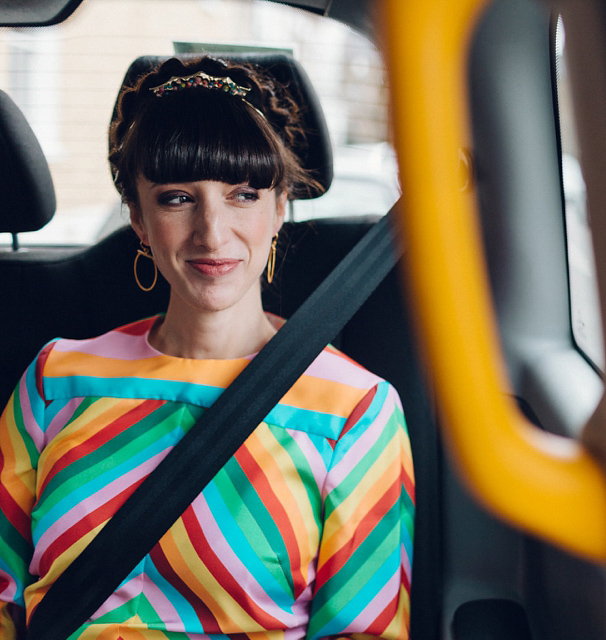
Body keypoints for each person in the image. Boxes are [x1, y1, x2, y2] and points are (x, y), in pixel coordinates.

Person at [0, 56, 414, 639]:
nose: (212, 232)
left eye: (243, 194)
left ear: (279, 210)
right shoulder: (54, 381)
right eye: (176, 198)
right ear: (138, 220)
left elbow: (361, 632)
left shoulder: (356, 410)